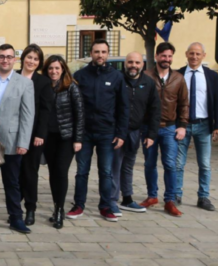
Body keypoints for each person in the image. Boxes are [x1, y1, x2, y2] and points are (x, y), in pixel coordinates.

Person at [67, 39, 129, 222]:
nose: (100, 55)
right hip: (84, 133)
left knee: (106, 171)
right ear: (91, 54)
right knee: (82, 171)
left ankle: (106, 206)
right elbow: (73, 105)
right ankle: (78, 205)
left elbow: (124, 108)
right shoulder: (80, 75)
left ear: (107, 54)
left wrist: (121, 133)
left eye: (103, 52)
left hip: (107, 133)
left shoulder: (117, 77)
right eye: (96, 52)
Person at [0, 44, 35, 234]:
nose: (5, 60)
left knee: (12, 182)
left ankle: (16, 219)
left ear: (15, 60)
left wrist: (23, 142)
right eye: (2, 56)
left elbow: (28, 115)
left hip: (12, 141)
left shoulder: (25, 83)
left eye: (9, 57)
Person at [175, 42, 218, 211]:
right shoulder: (178, 74)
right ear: (186, 54)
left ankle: (203, 197)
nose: (194, 57)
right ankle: (176, 195)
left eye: (197, 54)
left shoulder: (211, 76)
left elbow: (217, 102)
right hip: (183, 125)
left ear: (204, 55)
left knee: (204, 164)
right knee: (178, 163)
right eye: (191, 53)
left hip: (203, 125)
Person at [142, 42, 188, 217]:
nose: (166, 59)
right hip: (148, 128)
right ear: (156, 56)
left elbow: (184, 104)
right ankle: (152, 196)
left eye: (169, 56)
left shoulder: (178, 78)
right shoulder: (146, 76)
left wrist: (182, 126)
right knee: (149, 164)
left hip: (170, 128)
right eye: (163, 56)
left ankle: (169, 200)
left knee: (170, 165)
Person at [111, 52, 160, 215]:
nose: (134, 65)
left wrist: (151, 135)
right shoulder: (117, 80)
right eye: (130, 62)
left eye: (137, 63)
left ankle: (127, 198)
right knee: (115, 166)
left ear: (142, 65)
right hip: (116, 131)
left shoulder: (148, 83)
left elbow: (155, 110)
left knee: (128, 166)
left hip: (135, 131)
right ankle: (111, 200)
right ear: (125, 63)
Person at [41, 55, 84, 229]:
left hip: (66, 137)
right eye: (51, 68)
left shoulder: (71, 87)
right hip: (48, 137)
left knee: (61, 171)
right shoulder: (44, 87)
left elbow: (80, 114)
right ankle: (56, 207)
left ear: (63, 69)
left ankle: (60, 210)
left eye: (57, 68)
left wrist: (78, 139)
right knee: (53, 172)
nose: (54, 71)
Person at [17, 44, 50, 226]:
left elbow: (45, 111)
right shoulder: (12, 76)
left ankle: (30, 209)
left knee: (30, 172)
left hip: (33, 136)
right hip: (13, 133)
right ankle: (15, 207)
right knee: (15, 173)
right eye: (29, 57)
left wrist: (40, 134)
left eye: (36, 59)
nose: (32, 61)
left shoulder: (42, 82)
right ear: (23, 58)